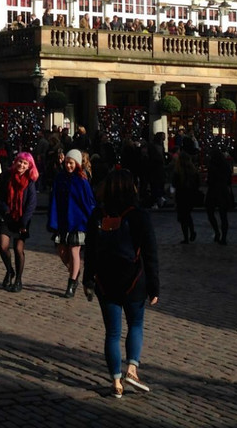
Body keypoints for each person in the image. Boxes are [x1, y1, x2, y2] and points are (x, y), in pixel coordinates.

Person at [83, 168, 160, 399]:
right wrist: (154, 286)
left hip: (105, 281)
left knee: (112, 333)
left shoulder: (98, 214)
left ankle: (116, 382)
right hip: (133, 280)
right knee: (135, 325)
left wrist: (88, 279)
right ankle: (132, 369)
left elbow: (91, 252)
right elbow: (150, 254)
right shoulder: (139, 215)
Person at [48, 148, 97, 298]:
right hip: (62, 221)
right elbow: (54, 200)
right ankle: (75, 271)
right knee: (62, 252)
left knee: (74, 251)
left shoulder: (82, 181)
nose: (69, 166)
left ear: (76, 164)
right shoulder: (60, 178)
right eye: (67, 163)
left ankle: (72, 282)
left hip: (77, 222)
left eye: (71, 163)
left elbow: (89, 203)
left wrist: (93, 221)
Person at [0, 152, 39, 293]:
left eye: (25, 163)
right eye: (20, 162)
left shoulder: (30, 180)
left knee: (18, 249)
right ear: (16, 161)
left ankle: (18, 280)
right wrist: (5, 210)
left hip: (22, 219)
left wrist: (24, 222)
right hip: (7, 216)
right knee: (3, 246)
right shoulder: (6, 176)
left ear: (29, 166)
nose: (21, 165)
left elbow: (32, 203)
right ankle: (9, 270)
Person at [204, 148, 234, 245]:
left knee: (210, 213)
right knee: (223, 216)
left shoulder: (212, 166)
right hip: (223, 191)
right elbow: (229, 180)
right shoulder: (226, 165)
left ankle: (217, 231)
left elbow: (210, 180)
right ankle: (224, 237)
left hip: (213, 191)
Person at [172, 151, 200, 244]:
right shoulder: (193, 170)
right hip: (190, 195)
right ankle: (191, 232)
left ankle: (186, 237)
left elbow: (174, 184)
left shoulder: (178, 171)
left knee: (183, 217)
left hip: (181, 195)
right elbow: (197, 183)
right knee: (187, 215)